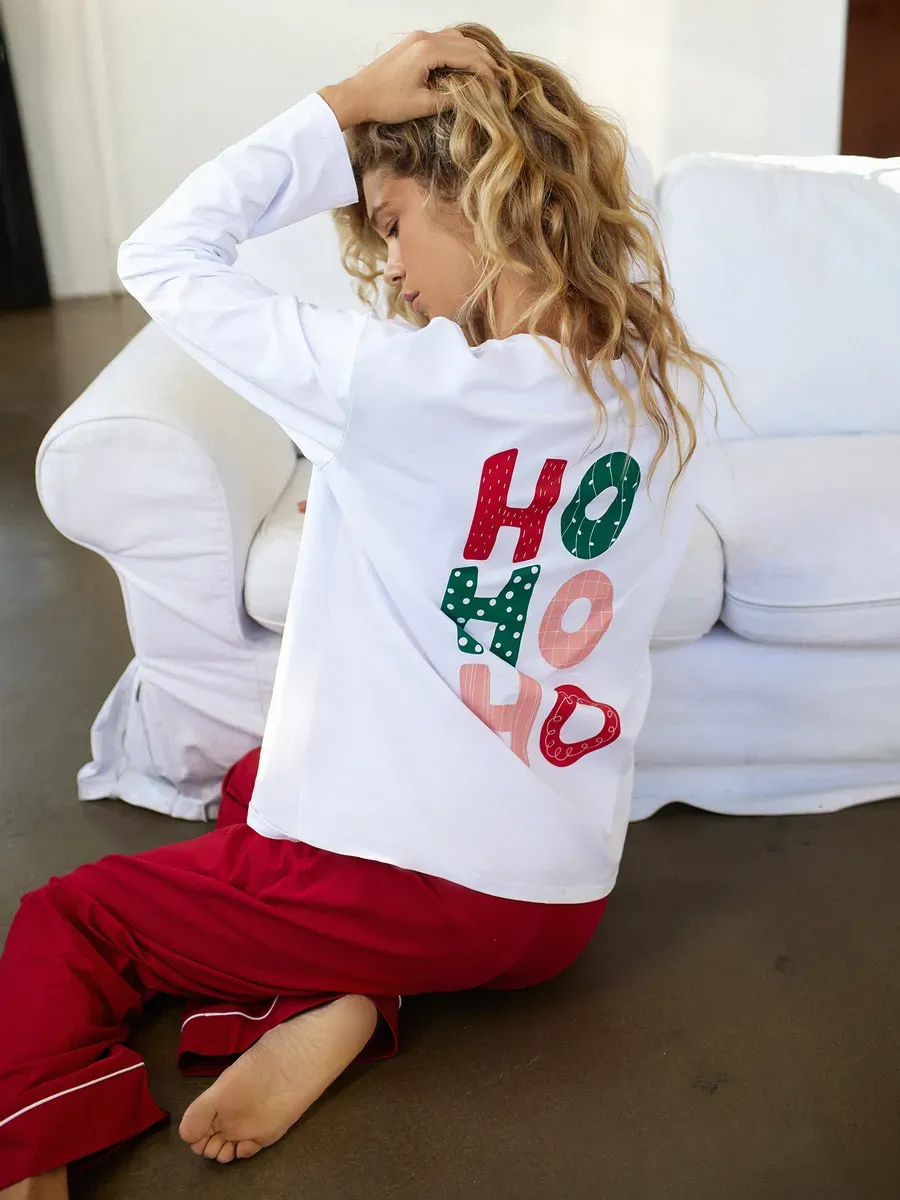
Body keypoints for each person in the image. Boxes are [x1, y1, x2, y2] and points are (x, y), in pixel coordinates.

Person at [0, 23, 725, 1198]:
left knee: (72, 920)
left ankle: (32, 1156)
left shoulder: (394, 386)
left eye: (392, 225)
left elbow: (162, 252)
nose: (389, 270)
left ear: (480, 193)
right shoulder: (663, 381)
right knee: (259, 779)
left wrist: (345, 102)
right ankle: (352, 993)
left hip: (424, 892)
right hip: (562, 896)